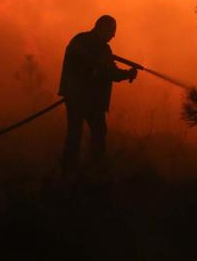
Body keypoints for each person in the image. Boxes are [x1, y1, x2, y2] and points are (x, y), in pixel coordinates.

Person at [58, 14, 137, 179]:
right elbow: (86, 66)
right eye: (112, 30)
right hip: (79, 97)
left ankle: (91, 170)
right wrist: (99, 64)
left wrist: (127, 74)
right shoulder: (81, 42)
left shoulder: (101, 48)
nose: (113, 35)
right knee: (77, 134)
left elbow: (110, 72)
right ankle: (73, 171)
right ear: (101, 27)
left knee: (97, 133)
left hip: (91, 100)